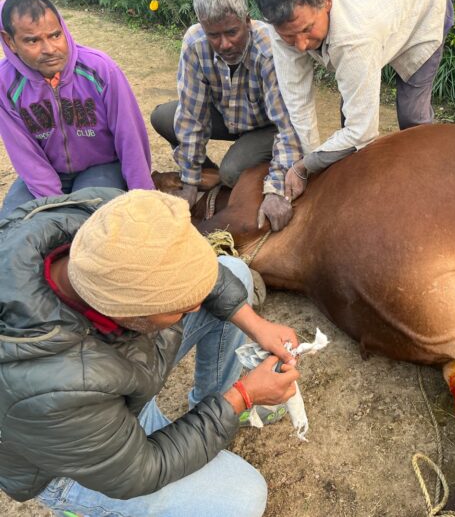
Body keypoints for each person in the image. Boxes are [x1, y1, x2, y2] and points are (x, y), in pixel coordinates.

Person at [0, 188, 301, 515]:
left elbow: (193, 270)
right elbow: (142, 470)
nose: (197, 306)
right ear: (129, 313)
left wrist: (255, 324)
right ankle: (82, 506)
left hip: (104, 386)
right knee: (243, 497)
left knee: (235, 275)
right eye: (184, 308)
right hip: (72, 464)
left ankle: (210, 408)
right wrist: (242, 396)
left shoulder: (110, 223)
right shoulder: (52, 385)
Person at [254, 0, 454, 200]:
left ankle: (428, 187)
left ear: (326, 0)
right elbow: (297, 102)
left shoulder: (355, 35)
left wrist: (305, 166)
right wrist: (313, 166)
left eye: (307, 30)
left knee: (412, 115)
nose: (301, 45)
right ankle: (356, 183)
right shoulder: (284, 19)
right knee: (347, 121)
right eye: (289, 36)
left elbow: (362, 130)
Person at [150, 0, 303, 231]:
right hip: (227, 116)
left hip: (267, 126)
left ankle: (226, 176)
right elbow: (191, 115)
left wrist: (277, 189)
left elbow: (289, 127)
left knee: (232, 171)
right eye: (214, 35)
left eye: (232, 32)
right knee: (164, 118)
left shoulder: (268, 50)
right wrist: (189, 183)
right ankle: (205, 176)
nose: (224, 44)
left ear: (247, 21)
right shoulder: (195, 42)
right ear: (202, 26)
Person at [0, 0, 153, 219]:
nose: (49, 49)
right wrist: (54, 206)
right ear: (10, 41)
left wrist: (144, 197)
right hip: (44, 172)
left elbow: (129, 137)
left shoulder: (100, 69)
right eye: (32, 40)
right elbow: (25, 154)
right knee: (12, 226)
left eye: (55, 35)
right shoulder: (5, 84)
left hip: (101, 167)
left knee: (90, 220)